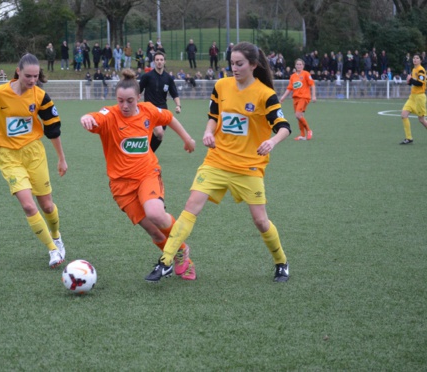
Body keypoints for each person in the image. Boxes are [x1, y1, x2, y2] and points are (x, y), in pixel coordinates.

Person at [145, 41, 292, 283]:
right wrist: (208, 132)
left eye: (240, 64)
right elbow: (213, 117)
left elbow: (284, 127)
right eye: (232, 63)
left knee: (260, 221)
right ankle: (166, 261)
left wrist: (272, 142)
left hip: (248, 166)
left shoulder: (265, 95)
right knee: (191, 206)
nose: (234, 68)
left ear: (253, 65)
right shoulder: (221, 85)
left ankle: (281, 262)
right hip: (217, 160)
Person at [80, 68, 197, 280]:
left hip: (147, 174)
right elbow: (96, 116)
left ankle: (181, 250)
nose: (124, 106)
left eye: (130, 101)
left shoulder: (148, 110)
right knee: (154, 231)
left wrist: (187, 139)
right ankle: (178, 254)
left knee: (155, 213)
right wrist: (86, 118)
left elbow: (169, 118)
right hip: (121, 185)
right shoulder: (110, 115)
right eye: (120, 101)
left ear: (139, 97)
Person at [0, 53, 68, 268]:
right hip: (9, 156)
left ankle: (56, 236)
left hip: (34, 154)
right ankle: (53, 250)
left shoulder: (40, 96)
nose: (32, 80)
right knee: (29, 206)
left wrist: (61, 159)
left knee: (47, 205)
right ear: (18, 72)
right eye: (28, 76)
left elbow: (53, 129)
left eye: (36, 76)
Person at [138, 51, 181, 152]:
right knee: (159, 132)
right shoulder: (147, 76)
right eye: (157, 60)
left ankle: (148, 153)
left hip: (163, 111)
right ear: (154, 62)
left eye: (161, 60)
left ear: (164, 61)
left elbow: (174, 94)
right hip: (149, 110)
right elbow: (137, 91)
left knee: (160, 136)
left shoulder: (168, 78)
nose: (159, 62)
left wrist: (178, 105)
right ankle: (147, 154)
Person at [279, 58, 317, 141]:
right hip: (295, 99)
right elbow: (289, 88)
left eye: (300, 64)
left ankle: (309, 130)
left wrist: (314, 96)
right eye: (297, 64)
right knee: (299, 116)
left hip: (304, 97)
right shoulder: (292, 76)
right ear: (295, 66)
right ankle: (302, 135)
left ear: (303, 66)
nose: (299, 66)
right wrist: (283, 97)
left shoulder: (306, 74)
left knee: (298, 115)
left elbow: (312, 84)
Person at [399, 54, 427, 145]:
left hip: (420, 97)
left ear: (420, 60)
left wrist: (410, 80)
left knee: (421, 120)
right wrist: (409, 82)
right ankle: (408, 138)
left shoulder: (421, 70)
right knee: (404, 115)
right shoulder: (413, 69)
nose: (415, 59)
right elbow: (413, 82)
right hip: (412, 97)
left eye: (417, 58)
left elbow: (419, 83)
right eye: (414, 58)